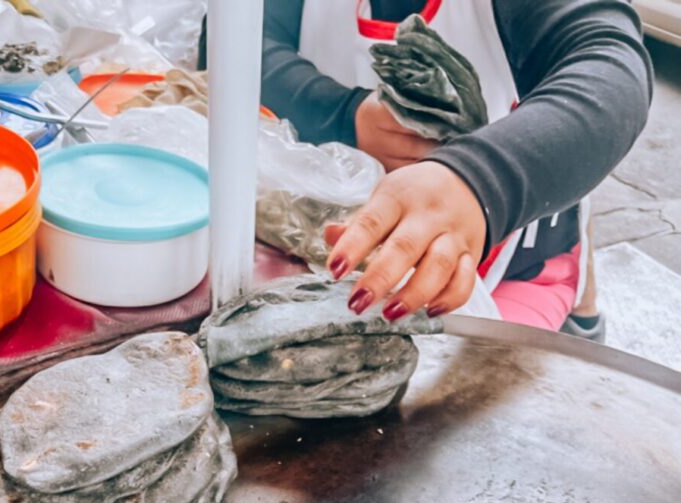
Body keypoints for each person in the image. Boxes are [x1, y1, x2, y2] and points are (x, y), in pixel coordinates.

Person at [255, 0, 652, 332]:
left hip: (511, 263)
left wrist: (477, 178)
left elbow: (610, 68)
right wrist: (344, 112)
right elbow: (236, 40)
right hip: (332, 239)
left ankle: (583, 317)